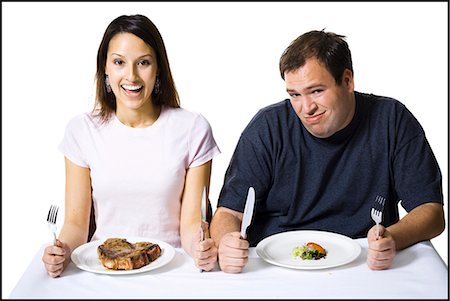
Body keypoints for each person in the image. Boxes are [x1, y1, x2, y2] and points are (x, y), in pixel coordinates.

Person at [210, 30, 445, 273]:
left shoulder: (392, 120)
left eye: (316, 91)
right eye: (295, 95)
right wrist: (227, 242)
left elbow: (431, 211)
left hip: (364, 262)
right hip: (277, 265)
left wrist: (392, 238)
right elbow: (228, 213)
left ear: (347, 81)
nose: (306, 108)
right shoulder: (267, 127)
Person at [42, 14, 220, 277]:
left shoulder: (193, 128)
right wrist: (61, 251)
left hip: (172, 270)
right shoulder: (82, 130)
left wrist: (200, 248)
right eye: (119, 63)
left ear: (158, 68)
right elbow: (76, 224)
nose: (131, 76)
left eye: (144, 63)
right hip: (103, 269)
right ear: (105, 68)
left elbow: (191, 224)